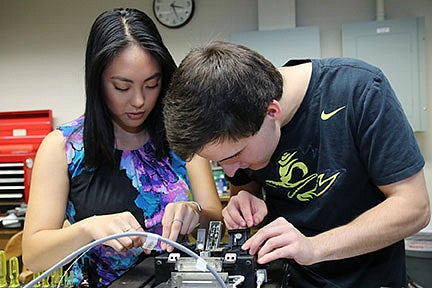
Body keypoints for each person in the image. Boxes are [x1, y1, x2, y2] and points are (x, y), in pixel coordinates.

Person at [163, 41, 431, 287]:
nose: (232, 170)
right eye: (220, 163)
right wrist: (245, 200)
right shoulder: (238, 118)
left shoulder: (359, 91)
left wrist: (315, 248)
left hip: (368, 278)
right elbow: (246, 192)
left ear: (272, 113)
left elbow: (413, 207)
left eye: (235, 156)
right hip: (288, 279)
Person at [22, 8, 222, 287]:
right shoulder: (63, 148)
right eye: (122, 87)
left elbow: (217, 222)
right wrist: (89, 228)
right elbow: (33, 255)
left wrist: (196, 213)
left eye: (151, 85)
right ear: (98, 81)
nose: (139, 101)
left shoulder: (181, 137)